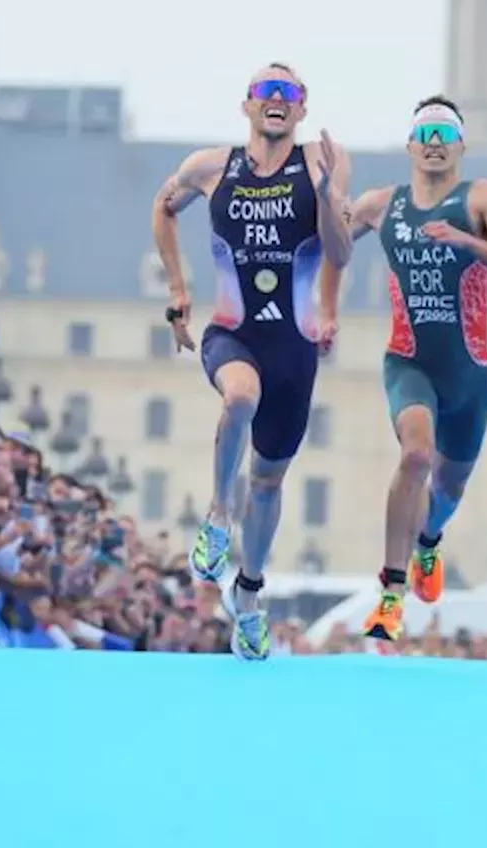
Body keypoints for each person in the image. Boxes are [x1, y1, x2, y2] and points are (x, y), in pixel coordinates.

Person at [150, 64, 352, 661]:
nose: (277, 100)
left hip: (294, 347)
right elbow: (164, 208)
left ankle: (251, 595)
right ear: (247, 107)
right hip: (233, 332)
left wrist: (327, 196)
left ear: (302, 109)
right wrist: (177, 288)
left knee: (267, 481)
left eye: (288, 93)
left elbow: (340, 251)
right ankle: (217, 516)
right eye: (267, 91)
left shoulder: (323, 162)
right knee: (239, 396)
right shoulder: (211, 167)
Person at [319, 96, 487, 642]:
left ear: (460, 146)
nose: (435, 142)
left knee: (449, 486)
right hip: (408, 360)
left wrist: (466, 239)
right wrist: (328, 197)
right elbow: (332, 247)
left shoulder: (483, 198)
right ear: (411, 147)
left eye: (445, 133)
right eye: (425, 133)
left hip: (469, 374)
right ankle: (390, 595)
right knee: (415, 455)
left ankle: (429, 543)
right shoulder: (380, 204)